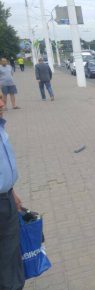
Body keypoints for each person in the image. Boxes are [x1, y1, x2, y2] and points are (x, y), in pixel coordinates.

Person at [0, 92, 25, 290]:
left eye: (1, 98)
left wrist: (12, 192)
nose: (2, 103)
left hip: (6, 198)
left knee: (10, 250)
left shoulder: (1, 128)